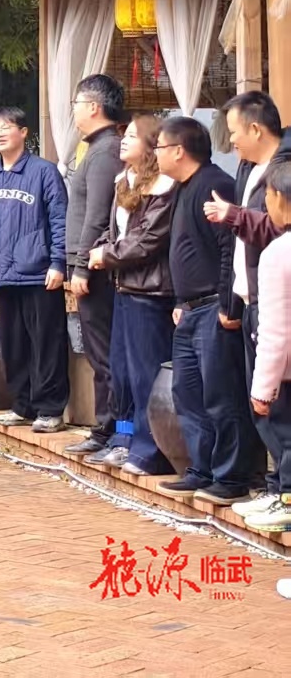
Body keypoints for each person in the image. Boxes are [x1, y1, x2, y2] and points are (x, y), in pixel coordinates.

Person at [155, 114, 254, 504]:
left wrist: (228, 304)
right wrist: (180, 301)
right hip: (190, 309)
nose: (156, 154)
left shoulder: (215, 184)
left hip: (215, 308)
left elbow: (230, 250)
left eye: (160, 147)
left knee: (221, 395)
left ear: (179, 150)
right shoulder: (183, 188)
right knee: (188, 392)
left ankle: (231, 477)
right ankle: (202, 468)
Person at [205, 91, 291, 516]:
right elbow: (236, 249)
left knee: (276, 405)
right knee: (265, 408)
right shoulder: (248, 168)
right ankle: (277, 488)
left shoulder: (283, 170)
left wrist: (234, 216)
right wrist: (231, 302)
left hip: (275, 304)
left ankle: (284, 493)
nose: (232, 141)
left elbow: (280, 229)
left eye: (235, 131)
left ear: (256, 128)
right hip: (251, 299)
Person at [0, 107, 69, 433]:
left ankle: (50, 409)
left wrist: (58, 263)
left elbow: (60, 220)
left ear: (24, 132)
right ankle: (22, 405)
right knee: (14, 345)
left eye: (6, 127)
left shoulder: (44, 172)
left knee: (46, 343)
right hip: (3, 273)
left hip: (39, 272)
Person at [87, 114, 176, 475]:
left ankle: (149, 449)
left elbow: (148, 241)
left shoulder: (164, 187)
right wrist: (97, 249)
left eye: (134, 136)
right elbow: (115, 232)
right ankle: (124, 438)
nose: (124, 140)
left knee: (144, 374)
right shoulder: (123, 180)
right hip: (123, 286)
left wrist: (106, 255)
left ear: (152, 145)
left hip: (150, 291)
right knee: (122, 370)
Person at [65, 74, 128, 459]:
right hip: (88, 262)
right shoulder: (96, 148)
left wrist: (82, 266)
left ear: (93, 107)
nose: (73, 112)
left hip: (97, 268)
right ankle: (106, 429)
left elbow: (98, 215)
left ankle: (115, 431)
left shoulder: (106, 151)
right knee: (98, 351)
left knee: (105, 354)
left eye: (76, 104)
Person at [244, 160, 291, 534]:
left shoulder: (278, 253)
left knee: (287, 438)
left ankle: (287, 501)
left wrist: (262, 388)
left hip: (286, 373)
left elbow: (275, 330)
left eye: (269, 196)